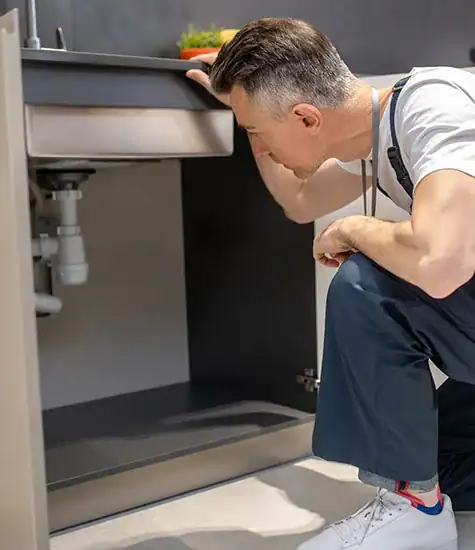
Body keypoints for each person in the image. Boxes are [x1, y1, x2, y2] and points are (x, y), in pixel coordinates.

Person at [186, 17, 475, 550]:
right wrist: (243, 106)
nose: (259, 142)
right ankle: (426, 497)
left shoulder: (436, 109)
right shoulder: (379, 134)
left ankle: (416, 512)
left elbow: (441, 261)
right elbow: (301, 200)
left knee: (368, 280)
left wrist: (357, 229)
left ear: (305, 117)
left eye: (257, 131)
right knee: (442, 457)